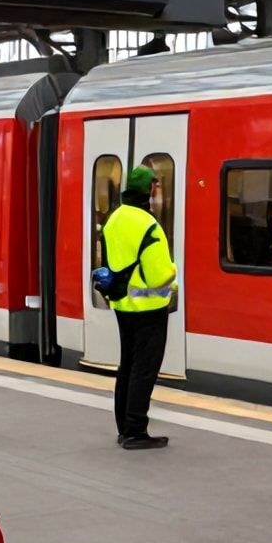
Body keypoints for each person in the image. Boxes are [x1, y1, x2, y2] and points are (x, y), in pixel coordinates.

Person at [100, 164, 177, 450]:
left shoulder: (114, 218)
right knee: (144, 369)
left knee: (128, 366)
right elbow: (160, 276)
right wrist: (174, 272)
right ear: (150, 189)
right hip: (149, 306)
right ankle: (135, 431)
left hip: (122, 303)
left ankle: (124, 427)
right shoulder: (148, 224)